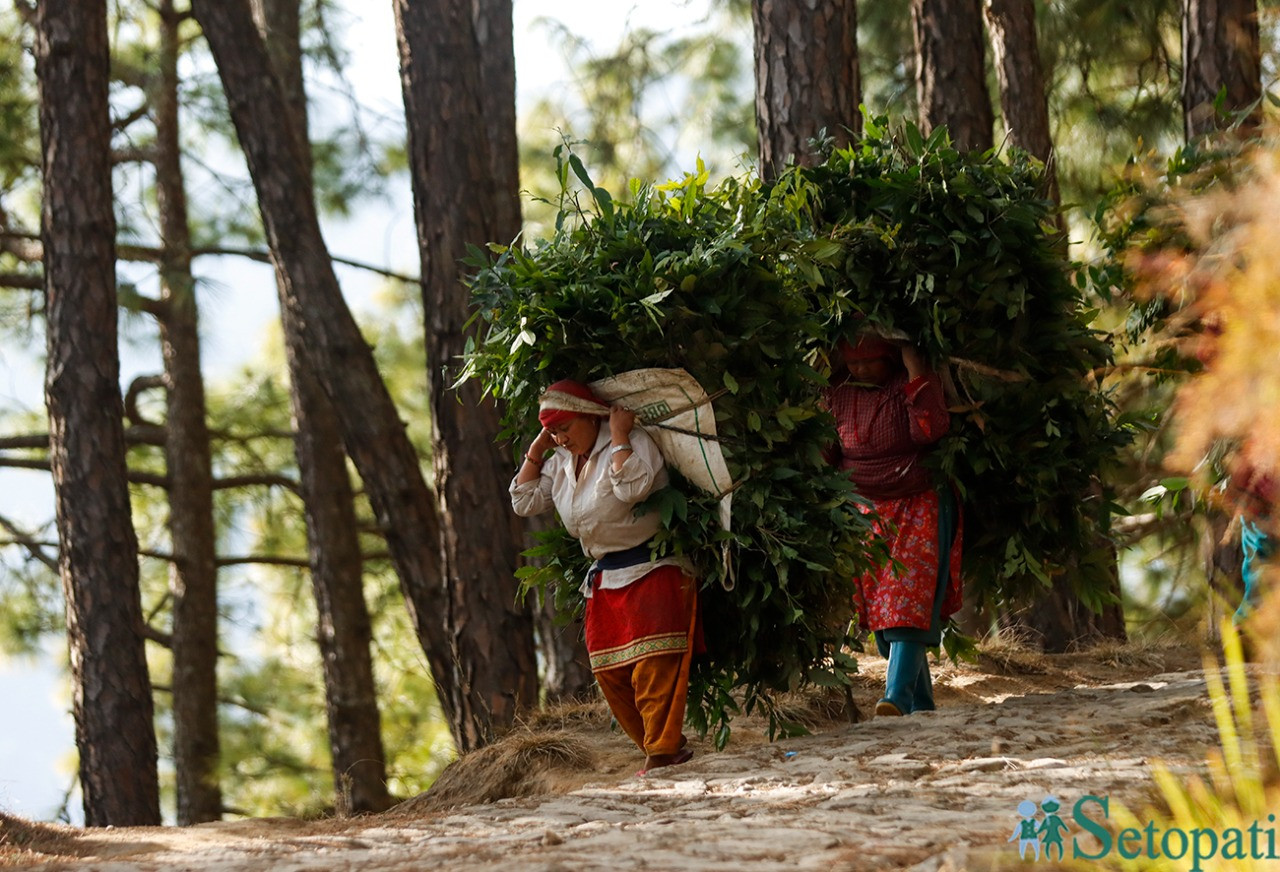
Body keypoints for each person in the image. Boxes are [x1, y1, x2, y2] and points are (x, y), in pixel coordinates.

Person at [510, 379, 703, 775]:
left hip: (655, 566)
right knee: (610, 672)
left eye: (566, 428)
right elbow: (523, 501)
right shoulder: (561, 463)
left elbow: (632, 488)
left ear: (591, 417)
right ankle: (662, 745)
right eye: (554, 432)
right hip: (606, 577)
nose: (561, 438)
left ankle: (662, 751)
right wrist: (536, 450)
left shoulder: (632, 440)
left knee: (653, 662)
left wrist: (617, 435)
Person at [822, 332, 962, 717]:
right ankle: (922, 704)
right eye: (854, 363)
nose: (862, 369)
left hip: (918, 503)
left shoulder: (909, 384)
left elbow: (930, 430)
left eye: (870, 361)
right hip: (864, 511)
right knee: (883, 620)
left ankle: (896, 697)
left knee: (906, 602)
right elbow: (825, 452)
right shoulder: (837, 392)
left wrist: (916, 367)